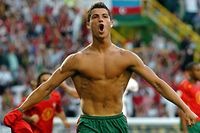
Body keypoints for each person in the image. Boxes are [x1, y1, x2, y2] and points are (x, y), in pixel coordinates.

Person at [3, 2, 198, 133]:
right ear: (88, 24)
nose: (100, 20)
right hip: (90, 123)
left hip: (117, 122)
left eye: (104, 16)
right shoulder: (76, 60)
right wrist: (20, 110)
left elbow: (157, 83)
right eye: (95, 17)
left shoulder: (127, 57)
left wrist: (185, 108)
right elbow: (46, 87)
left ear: (111, 23)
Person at [177, 62, 200, 133]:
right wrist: (185, 130)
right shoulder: (184, 86)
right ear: (190, 72)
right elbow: (181, 109)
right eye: (198, 70)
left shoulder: (199, 84)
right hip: (192, 123)